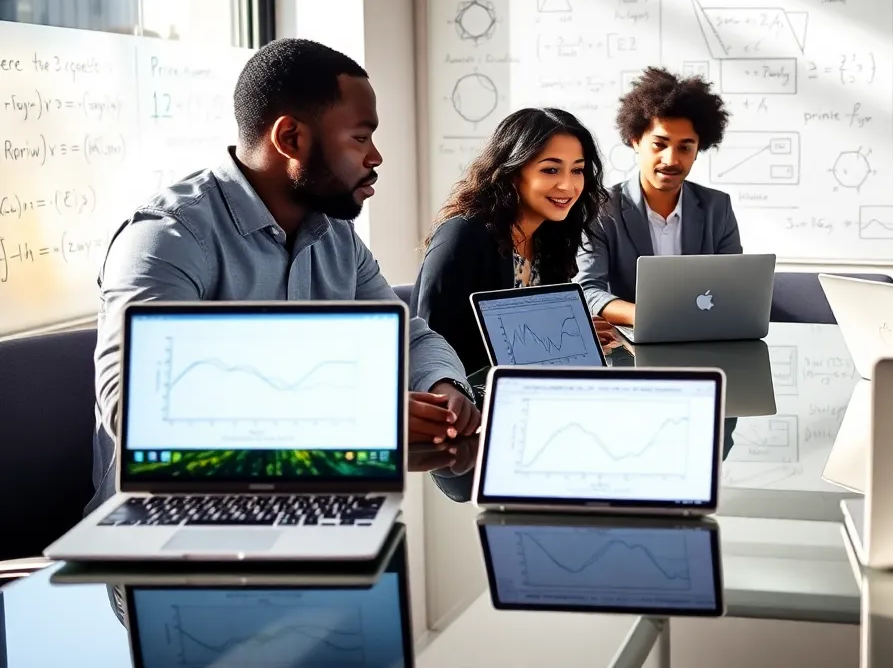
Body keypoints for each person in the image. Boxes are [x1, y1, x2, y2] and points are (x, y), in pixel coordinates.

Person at [87, 38, 480, 512]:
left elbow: (410, 339)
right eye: (360, 137)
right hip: (173, 528)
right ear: (290, 138)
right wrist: (361, 420)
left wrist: (445, 389)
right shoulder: (168, 237)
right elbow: (136, 410)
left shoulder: (336, 236)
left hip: (311, 507)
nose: (375, 157)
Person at [414, 107, 617, 375]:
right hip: (466, 396)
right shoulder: (461, 236)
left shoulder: (552, 235)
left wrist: (574, 334)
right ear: (512, 171)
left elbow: (533, 329)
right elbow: (434, 346)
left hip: (528, 385)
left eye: (577, 170)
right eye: (551, 170)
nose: (567, 186)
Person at [575, 67, 740, 325]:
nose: (671, 159)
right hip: (632, 343)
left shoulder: (717, 207)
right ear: (635, 141)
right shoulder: (601, 208)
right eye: (659, 144)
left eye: (685, 147)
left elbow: (735, 285)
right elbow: (587, 291)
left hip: (703, 337)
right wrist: (653, 318)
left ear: (698, 150)